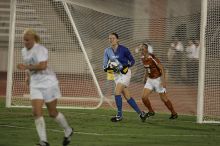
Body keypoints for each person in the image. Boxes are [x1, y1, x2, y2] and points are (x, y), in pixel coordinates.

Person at [17, 28, 73, 146]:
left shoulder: (40, 49)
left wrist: (26, 67)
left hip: (48, 83)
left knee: (52, 113)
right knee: (36, 112)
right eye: (24, 40)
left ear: (33, 39)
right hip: (36, 84)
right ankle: (43, 141)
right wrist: (27, 76)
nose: (25, 42)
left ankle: (68, 130)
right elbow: (29, 65)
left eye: (27, 40)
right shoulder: (23, 51)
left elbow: (42, 66)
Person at [103, 32, 147, 122]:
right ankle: (141, 114)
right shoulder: (107, 51)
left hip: (125, 74)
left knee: (117, 92)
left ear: (117, 40)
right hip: (116, 76)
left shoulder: (124, 49)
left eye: (113, 38)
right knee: (127, 96)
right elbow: (105, 67)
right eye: (109, 38)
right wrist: (112, 70)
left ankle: (119, 115)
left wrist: (126, 67)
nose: (111, 40)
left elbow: (132, 61)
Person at [139, 43, 178, 119]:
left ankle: (174, 113)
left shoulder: (152, 58)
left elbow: (162, 69)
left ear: (146, 49)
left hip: (158, 80)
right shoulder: (142, 58)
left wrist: (163, 81)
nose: (141, 50)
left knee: (164, 99)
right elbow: (147, 68)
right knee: (144, 97)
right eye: (140, 49)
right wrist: (144, 77)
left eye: (142, 49)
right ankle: (151, 111)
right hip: (150, 80)